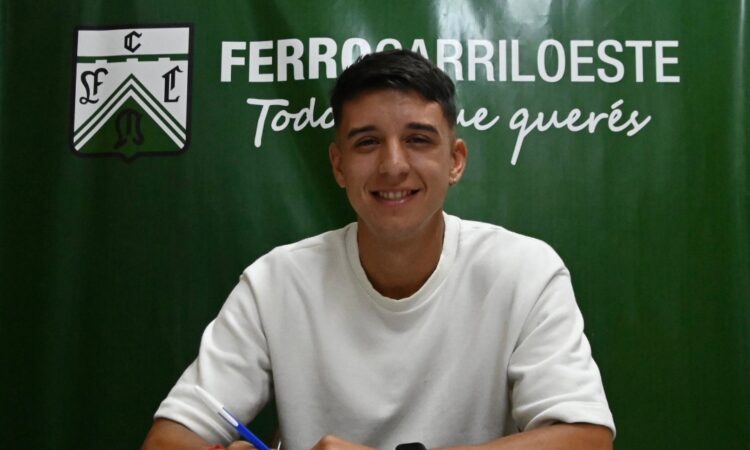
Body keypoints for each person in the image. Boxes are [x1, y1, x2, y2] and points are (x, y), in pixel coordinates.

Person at [142, 49, 615, 450]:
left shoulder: (526, 271)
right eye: (367, 142)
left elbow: (587, 438)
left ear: (455, 161)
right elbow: (168, 438)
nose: (393, 165)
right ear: (339, 165)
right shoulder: (275, 283)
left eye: (418, 140)